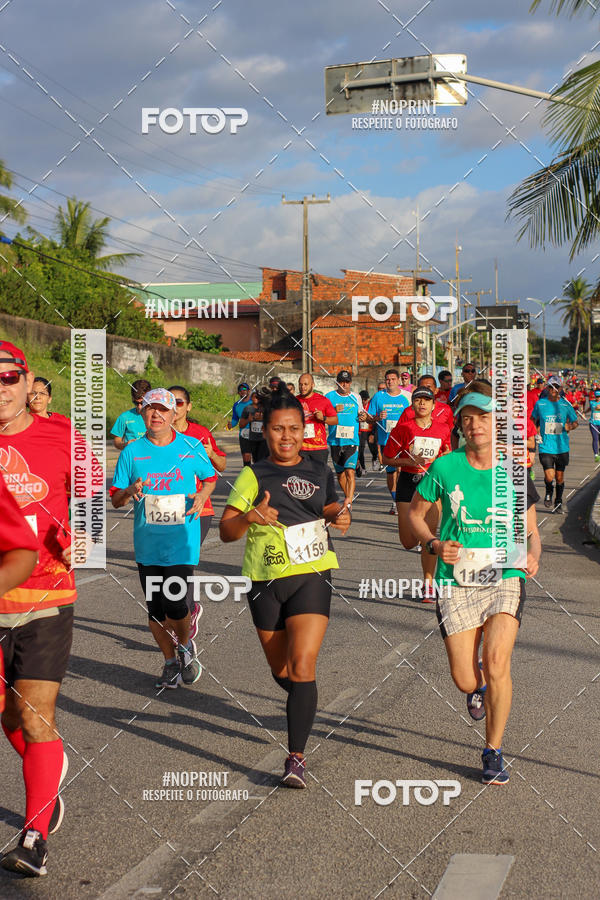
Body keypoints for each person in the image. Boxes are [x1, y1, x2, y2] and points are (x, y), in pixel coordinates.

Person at [408, 380, 542, 785]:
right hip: (457, 578)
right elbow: (416, 515)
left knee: (497, 661)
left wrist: (533, 554)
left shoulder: (514, 470)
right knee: (467, 677)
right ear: (461, 425)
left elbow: (532, 530)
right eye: (467, 418)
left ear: (496, 423)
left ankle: (493, 750)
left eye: (482, 417)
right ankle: (476, 688)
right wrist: (433, 542)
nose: (475, 424)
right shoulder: (446, 467)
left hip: (505, 574)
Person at [220, 384, 351, 788]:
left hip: (312, 572)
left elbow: (329, 505)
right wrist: (250, 518)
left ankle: (295, 757)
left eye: (294, 428)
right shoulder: (253, 473)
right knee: (284, 672)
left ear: (304, 428)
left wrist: (339, 513)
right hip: (265, 579)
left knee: (303, 665)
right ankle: (302, 698)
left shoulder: (319, 468)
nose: (287, 436)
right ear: (265, 430)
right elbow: (226, 530)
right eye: (278, 429)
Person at [0, 341, 95, 877]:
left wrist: (82, 538)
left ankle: (33, 835)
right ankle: (48, 776)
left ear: (26, 379)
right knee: (9, 715)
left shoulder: (63, 439)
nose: (1, 389)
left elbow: (90, 509)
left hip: (46, 597)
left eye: (9, 378)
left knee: (35, 715)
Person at [110, 389, 215, 690]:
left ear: (173, 415)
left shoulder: (190, 446)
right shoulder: (131, 452)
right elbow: (116, 499)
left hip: (182, 540)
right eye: (149, 409)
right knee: (155, 610)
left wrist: (202, 498)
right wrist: (130, 491)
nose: (155, 415)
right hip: (148, 543)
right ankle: (170, 661)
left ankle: (185, 647)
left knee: (176, 604)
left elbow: (209, 478)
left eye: (162, 410)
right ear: (141, 413)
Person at [170, 385, 227, 640]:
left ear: (189, 407)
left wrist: (211, 453)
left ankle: (189, 612)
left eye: (179, 402)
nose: (174, 407)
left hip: (198, 508)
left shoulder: (200, 433)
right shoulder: (156, 432)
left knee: (184, 561)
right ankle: (180, 611)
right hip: (166, 509)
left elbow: (221, 464)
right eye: (169, 402)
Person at [383, 386, 451, 600]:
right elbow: (386, 459)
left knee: (428, 538)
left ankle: (428, 584)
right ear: (412, 404)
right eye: (418, 399)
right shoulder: (403, 429)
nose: (422, 403)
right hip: (408, 482)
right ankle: (422, 551)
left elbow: (446, 452)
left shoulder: (442, 429)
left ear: (433, 405)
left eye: (426, 400)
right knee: (409, 542)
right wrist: (407, 461)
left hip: (431, 485)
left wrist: (444, 463)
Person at [361, 369, 410, 514]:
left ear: (399, 381)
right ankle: (395, 501)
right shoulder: (378, 397)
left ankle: (403, 500)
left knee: (402, 471)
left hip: (404, 442)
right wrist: (377, 418)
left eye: (393, 379)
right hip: (386, 441)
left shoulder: (406, 397)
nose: (390, 382)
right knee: (391, 473)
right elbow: (368, 418)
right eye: (388, 379)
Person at [531, 375, 578, 512]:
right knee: (549, 476)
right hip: (546, 446)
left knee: (559, 477)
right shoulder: (541, 404)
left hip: (562, 447)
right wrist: (535, 432)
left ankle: (558, 501)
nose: (553, 389)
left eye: (556, 386)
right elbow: (533, 419)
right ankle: (548, 492)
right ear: (547, 387)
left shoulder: (565, 405)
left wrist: (569, 427)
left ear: (560, 388)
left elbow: (575, 422)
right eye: (551, 386)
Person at [326, 370, 361, 507]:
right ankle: (347, 496)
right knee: (340, 474)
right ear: (337, 383)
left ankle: (348, 502)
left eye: (347, 382)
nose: (344, 385)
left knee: (349, 472)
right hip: (335, 440)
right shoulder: (329, 397)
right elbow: (323, 417)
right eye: (341, 382)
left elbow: (362, 414)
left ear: (350, 383)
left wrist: (363, 417)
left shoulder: (356, 397)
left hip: (352, 440)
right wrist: (334, 410)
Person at [297, 373, 338, 465]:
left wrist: (323, 418)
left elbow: (335, 420)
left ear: (313, 385)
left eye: (306, 384)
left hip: (318, 448)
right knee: (302, 478)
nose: (302, 387)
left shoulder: (323, 400)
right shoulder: (294, 401)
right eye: (300, 384)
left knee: (318, 478)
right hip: (300, 448)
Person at [111, 378, 151, 451]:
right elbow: (117, 441)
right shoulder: (125, 417)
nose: (139, 407)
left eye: (142, 403)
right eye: (136, 403)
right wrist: (125, 445)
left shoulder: (157, 415)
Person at [240, 390, 269, 464]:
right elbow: (241, 424)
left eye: (258, 397)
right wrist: (249, 420)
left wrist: (264, 418)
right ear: (251, 398)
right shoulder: (247, 409)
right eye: (254, 397)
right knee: (255, 460)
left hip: (264, 439)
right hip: (253, 439)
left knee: (262, 460)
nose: (256, 398)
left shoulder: (266, 408)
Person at [228, 383, 253, 467]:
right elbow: (235, 419)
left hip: (256, 433)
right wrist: (231, 425)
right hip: (243, 433)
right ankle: (247, 473)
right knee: (246, 456)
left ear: (249, 391)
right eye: (240, 391)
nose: (242, 392)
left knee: (257, 457)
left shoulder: (254, 402)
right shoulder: (236, 405)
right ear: (238, 393)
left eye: (244, 390)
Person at [358, 389, 378, 473]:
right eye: (362, 399)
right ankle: (363, 468)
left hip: (370, 430)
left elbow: (375, 419)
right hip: (361, 431)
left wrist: (373, 433)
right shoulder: (357, 405)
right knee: (360, 450)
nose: (364, 401)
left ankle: (374, 459)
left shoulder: (371, 405)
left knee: (373, 448)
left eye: (365, 399)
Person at [589, 390, 600, 462]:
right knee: (595, 439)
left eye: (599, 396)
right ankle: (596, 455)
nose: (598, 398)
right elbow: (591, 408)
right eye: (597, 396)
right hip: (593, 423)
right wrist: (584, 412)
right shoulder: (592, 402)